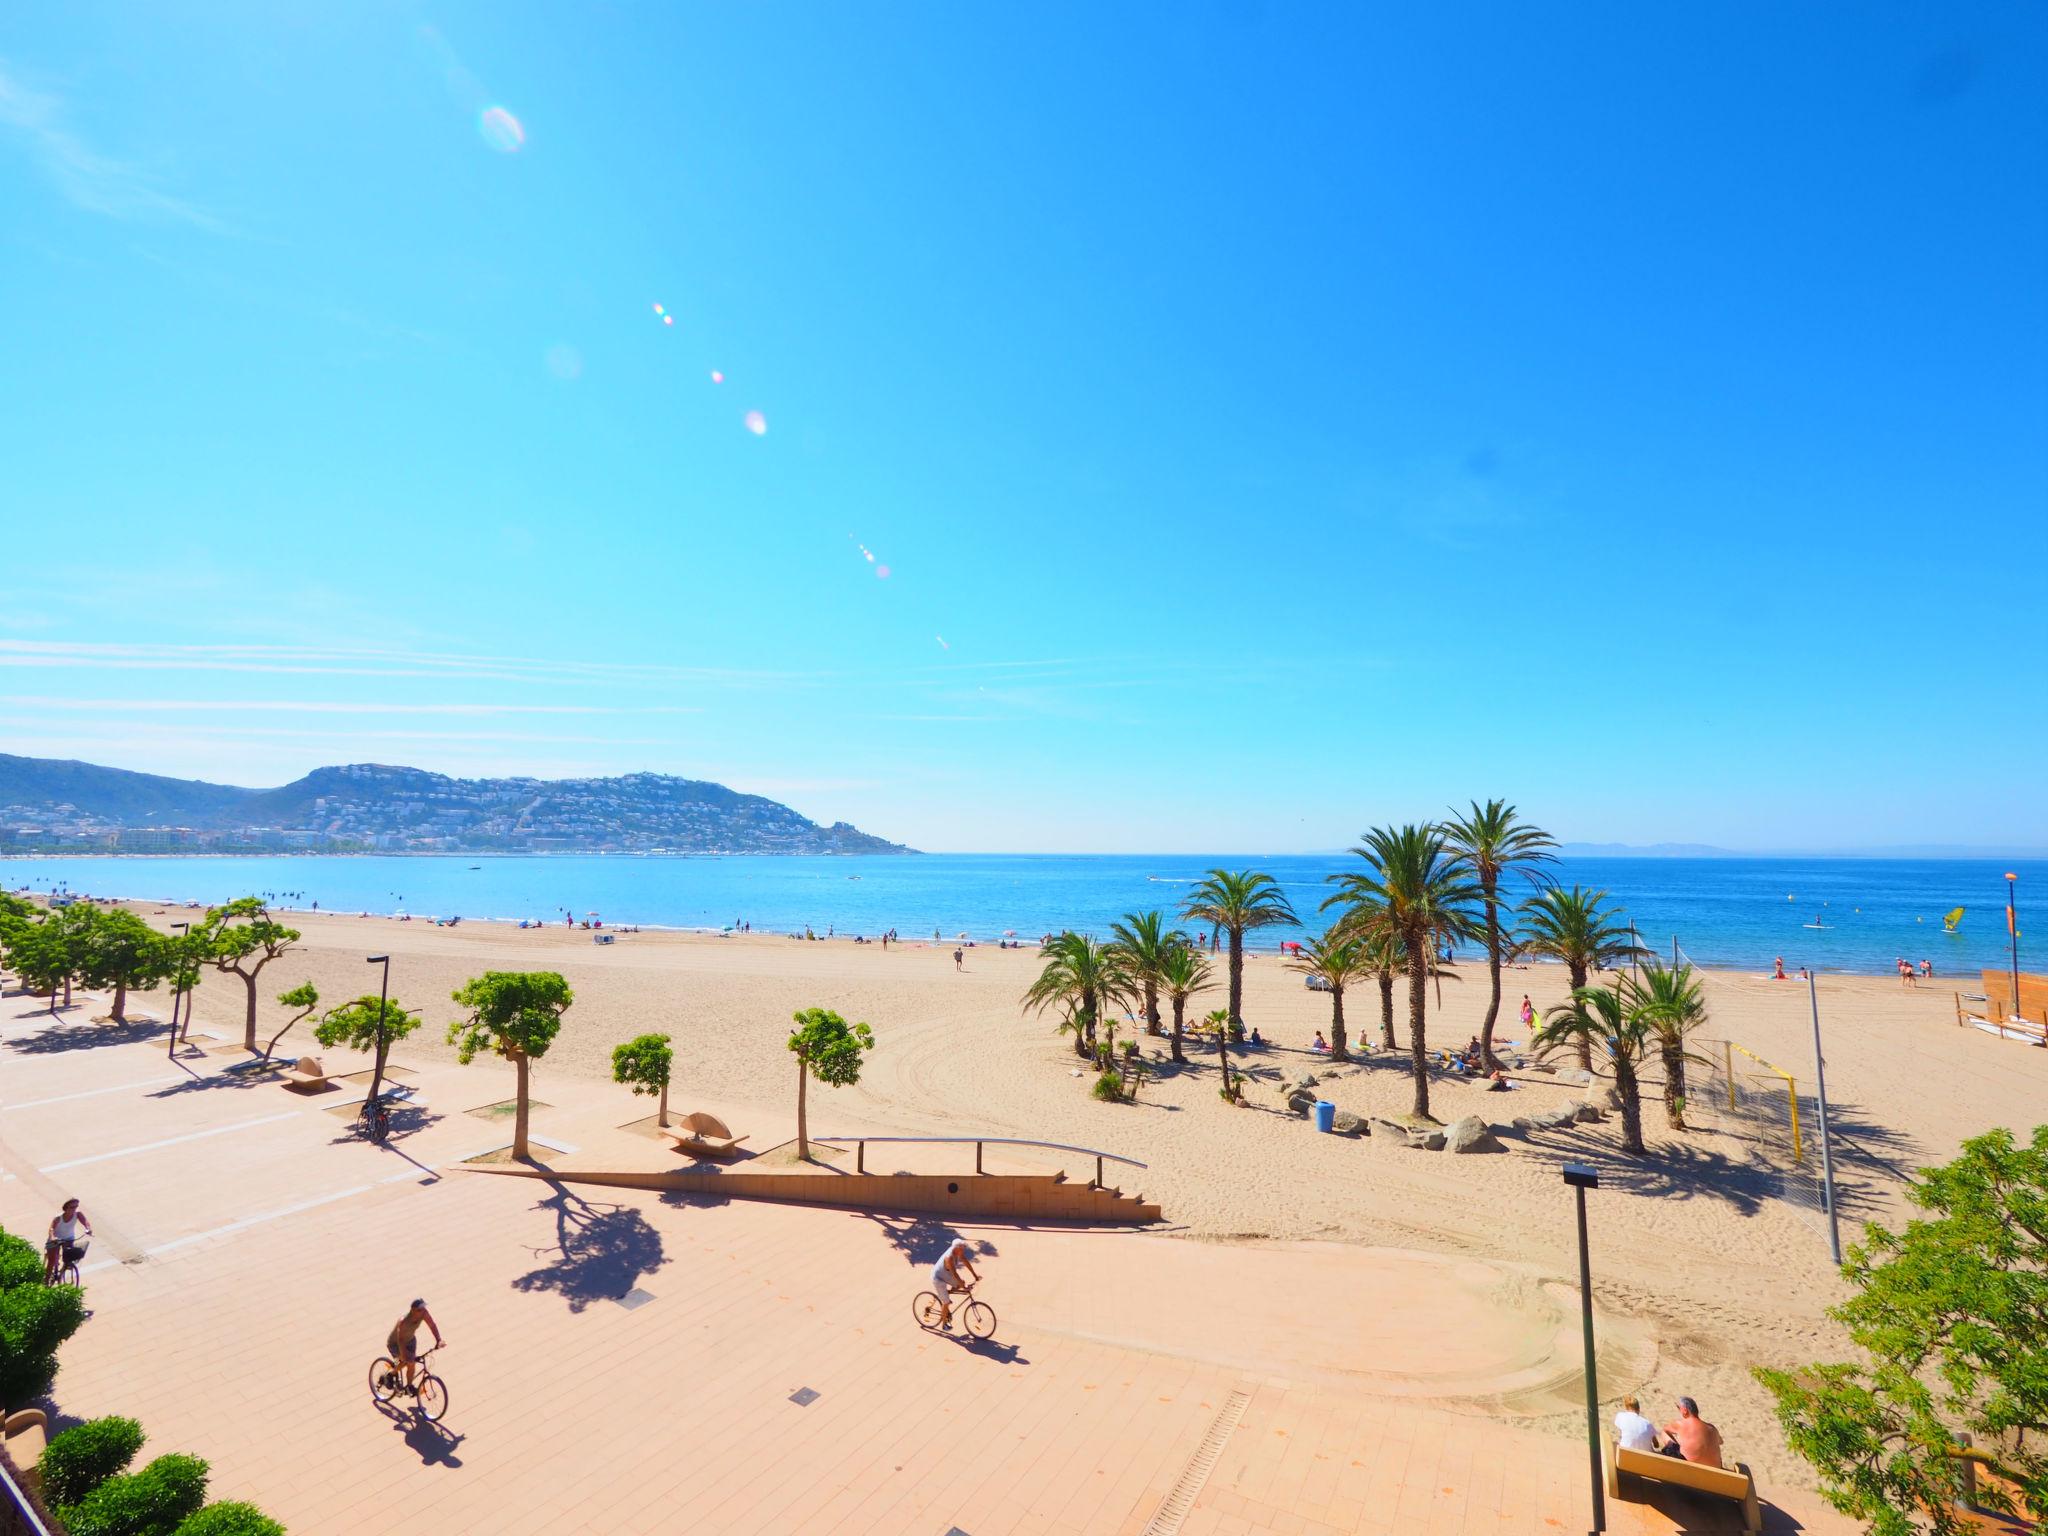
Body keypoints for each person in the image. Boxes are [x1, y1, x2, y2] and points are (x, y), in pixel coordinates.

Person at [386, 1298, 444, 1393]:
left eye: (424, 1308)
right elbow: (400, 1340)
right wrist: (404, 1355)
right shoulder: (403, 1321)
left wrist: (439, 1340)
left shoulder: (424, 1314)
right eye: (420, 1310)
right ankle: (391, 1375)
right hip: (395, 1344)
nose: (423, 1311)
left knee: (411, 1363)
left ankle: (409, 1386)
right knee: (408, 1361)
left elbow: (432, 1325)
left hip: (410, 1341)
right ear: (413, 1310)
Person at [1660, 1396, 1724, 1467]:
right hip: (1715, 1472)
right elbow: (1721, 1441)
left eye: (1678, 1408)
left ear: (1685, 1411)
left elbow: (1665, 1430)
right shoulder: (1712, 1428)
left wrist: (1677, 1445)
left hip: (1689, 1470)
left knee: (1664, 1433)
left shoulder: (1680, 1424)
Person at [930, 1237, 980, 1328]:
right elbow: (955, 1274)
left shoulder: (957, 1252)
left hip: (945, 1274)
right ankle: (944, 1324)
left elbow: (965, 1261)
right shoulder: (949, 1257)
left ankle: (945, 1295)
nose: (963, 1250)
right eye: (962, 1248)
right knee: (946, 1302)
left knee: (961, 1282)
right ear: (957, 1248)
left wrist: (975, 1275)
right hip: (938, 1278)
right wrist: (964, 1287)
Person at [44, 1199, 91, 1282]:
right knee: (52, 1260)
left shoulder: (78, 1214)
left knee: (69, 1257)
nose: (74, 1209)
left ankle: (62, 1271)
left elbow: (85, 1221)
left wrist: (88, 1229)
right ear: (66, 1208)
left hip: (69, 1238)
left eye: (76, 1206)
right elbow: (51, 1229)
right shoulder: (58, 1218)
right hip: (56, 1239)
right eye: (72, 1207)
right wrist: (52, 1237)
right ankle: (46, 1280)